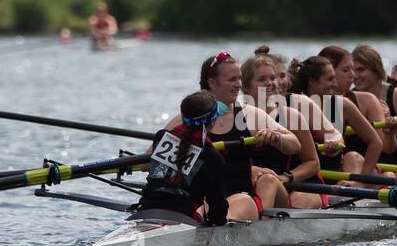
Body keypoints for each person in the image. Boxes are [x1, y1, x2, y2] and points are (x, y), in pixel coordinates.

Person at [162, 52, 299, 222]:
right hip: (204, 200)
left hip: (241, 197)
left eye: (240, 79)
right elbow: (148, 164)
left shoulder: (250, 115)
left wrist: (277, 137)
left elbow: (295, 144)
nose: (238, 85)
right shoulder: (186, 118)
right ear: (212, 83)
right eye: (232, 79)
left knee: (261, 185)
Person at [241, 51, 323, 209]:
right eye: (261, 79)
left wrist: (286, 178)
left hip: (290, 186)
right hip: (252, 183)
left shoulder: (291, 116)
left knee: (271, 183)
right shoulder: (237, 116)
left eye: (272, 78)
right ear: (246, 86)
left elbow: (313, 163)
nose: (270, 83)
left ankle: (257, 226)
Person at [137, 91, 230, 225]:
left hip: (146, 210)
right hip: (184, 218)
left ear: (182, 116)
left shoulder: (162, 136)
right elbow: (217, 207)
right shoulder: (213, 157)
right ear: (213, 121)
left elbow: (157, 178)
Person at [291, 55, 384, 179]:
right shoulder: (292, 106)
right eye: (330, 79)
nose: (335, 84)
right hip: (303, 176)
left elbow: (376, 142)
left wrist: (362, 180)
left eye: (334, 78)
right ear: (312, 81)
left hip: (336, 176)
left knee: (352, 157)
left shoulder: (343, 105)